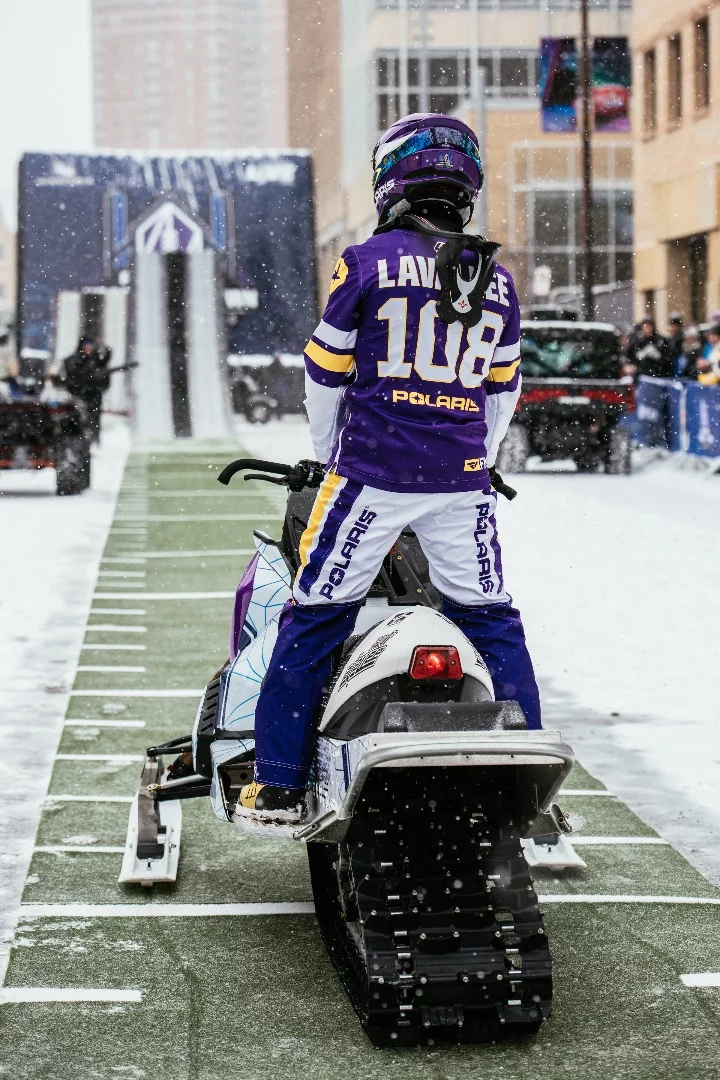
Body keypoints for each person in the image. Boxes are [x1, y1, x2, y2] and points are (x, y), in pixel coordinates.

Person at [238, 113, 540, 827]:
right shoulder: (494, 279)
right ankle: (524, 768)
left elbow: (324, 371)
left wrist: (323, 453)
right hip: (460, 482)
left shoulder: (366, 262)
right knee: (493, 621)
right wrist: (477, 457)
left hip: (372, 476)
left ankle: (279, 779)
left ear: (391, 179)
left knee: (313, 618)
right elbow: (504, 392)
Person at [62, 335, 112, 442]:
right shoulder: (72, 361)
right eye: (87, 346)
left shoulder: (97, 362)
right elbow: (68, 379)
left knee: (93, 421)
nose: (89, 349)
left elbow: (105, 382)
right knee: (78, 422)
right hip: (77, 397)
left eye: (91, 346)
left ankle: (93, 440)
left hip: (94, 398)